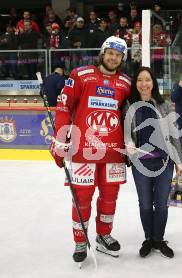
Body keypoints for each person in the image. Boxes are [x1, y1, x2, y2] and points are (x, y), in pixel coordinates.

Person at [50, 36, 131, 264]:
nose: (113, 58)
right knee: (82, 198)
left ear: (122, 59)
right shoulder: (81, 74)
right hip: (84, 151)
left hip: (114, 152)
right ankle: (79, 240)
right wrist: (61, 140)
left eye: (118, 55)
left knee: (109, 198)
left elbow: (131, 116)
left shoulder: (126, 82)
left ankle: (103, 235)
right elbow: (64, 107)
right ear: (103, 53)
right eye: (110, 53)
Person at [125, 66, 182, 259]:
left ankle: (158, 238)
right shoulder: (129, 105)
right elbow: (125, 131)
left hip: (163, 163)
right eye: (140, 80)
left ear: (153, 83)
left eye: (147, 80)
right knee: (144, 205)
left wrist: (179, 162)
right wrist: (129, 142)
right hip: (140, 164)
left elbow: (174, 135)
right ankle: (148, 238)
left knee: (161, 205)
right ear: (136, 83)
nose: (144, 84)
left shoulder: (164, 104)